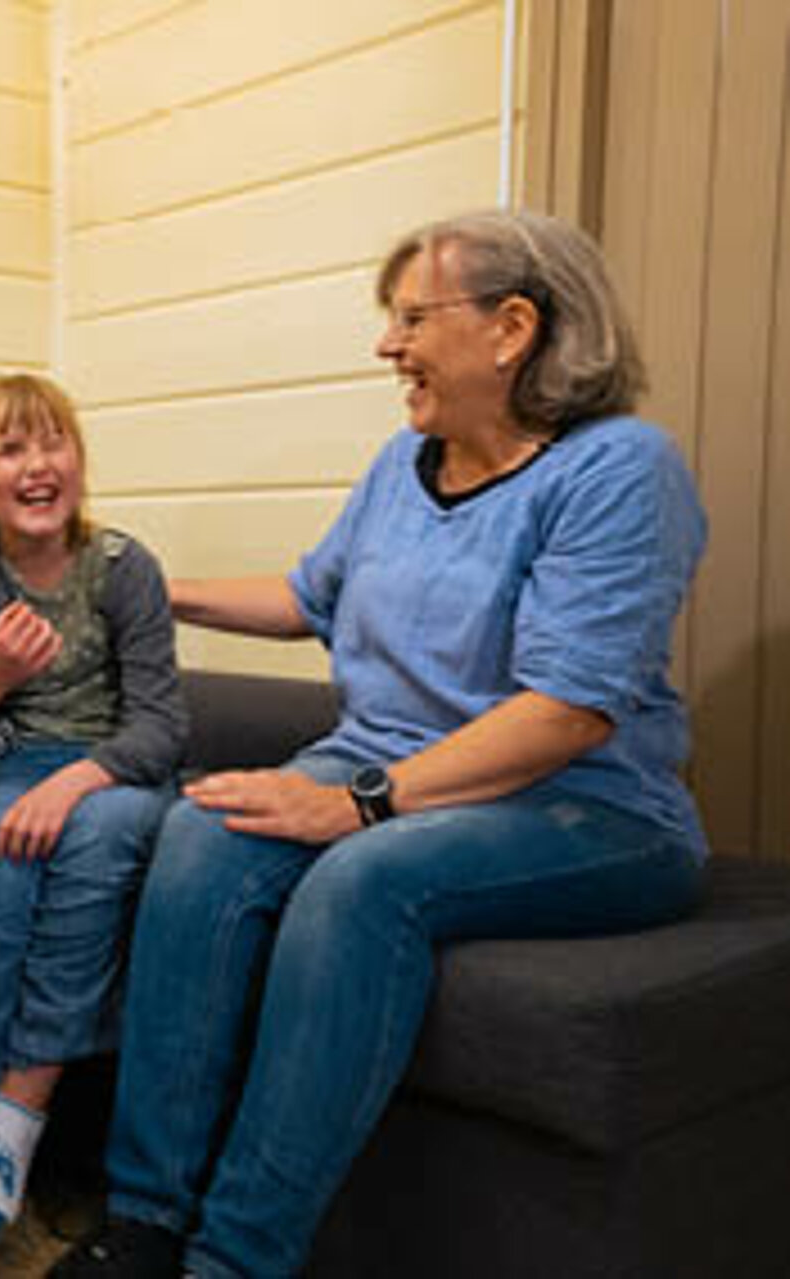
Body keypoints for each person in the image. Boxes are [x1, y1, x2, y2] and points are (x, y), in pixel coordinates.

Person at [51, 208, 710, 1279]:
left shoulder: (620, 470)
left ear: (510, 329)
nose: (386, 346)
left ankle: (237, 1259)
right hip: (394, 768)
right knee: (201, 831)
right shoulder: (406, 463)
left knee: (363, 884)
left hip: (586, 802)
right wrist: (140, 587)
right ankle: (144, 1221)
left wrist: (361, 799)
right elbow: (311, 595)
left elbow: (569, 710)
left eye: (411, 319)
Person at [0, 374, 185, 1253]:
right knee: (3, 875)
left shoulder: (125, 568)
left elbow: (164, 727)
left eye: (53, 442)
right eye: (10, 448)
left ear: (80, 462)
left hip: (117, 775)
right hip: (15, 768)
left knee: (88, 839)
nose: (37, 464)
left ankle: (15, 1124)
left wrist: (78, 781)